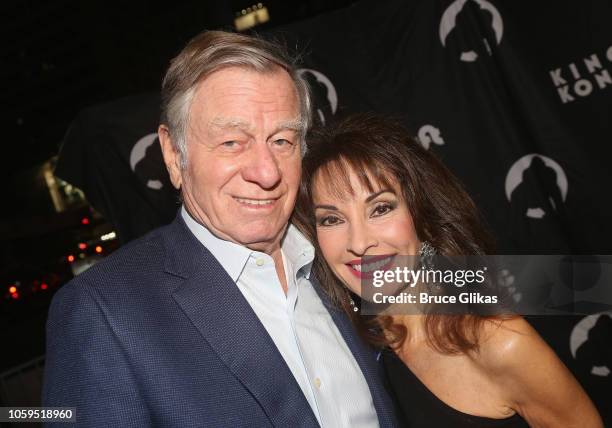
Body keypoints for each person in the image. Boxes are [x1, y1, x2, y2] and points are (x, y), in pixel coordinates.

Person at [42, 32, 398, 427]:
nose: (266, 172)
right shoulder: (104, 314)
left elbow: (459, 294)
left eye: (281, 140)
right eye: (232, 142)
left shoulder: (339, 249)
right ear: (174, 156)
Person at [293, 114, 603, 428]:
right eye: (331, 219)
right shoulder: (347, 346)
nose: (359, 243)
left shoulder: (497, 341)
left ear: (421, 214)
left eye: (381, 209)